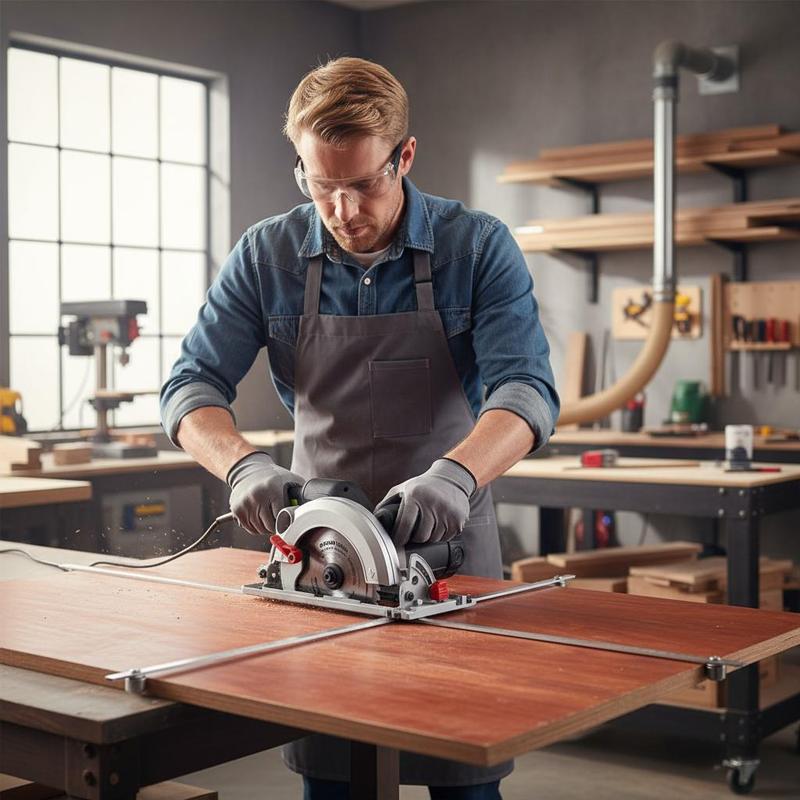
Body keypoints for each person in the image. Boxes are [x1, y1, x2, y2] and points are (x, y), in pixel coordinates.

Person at [160, 57, 559, 800]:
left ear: (404, 156)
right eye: (321, 186)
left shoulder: (476, 247)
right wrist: (243, 465)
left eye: (365, 184)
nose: (342, 209)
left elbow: (527, 391)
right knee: (335, 779)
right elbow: (190, 387)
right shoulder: (266, 254)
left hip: (447, 553)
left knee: (463, 778)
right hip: (322, 558)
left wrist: (457, 475)